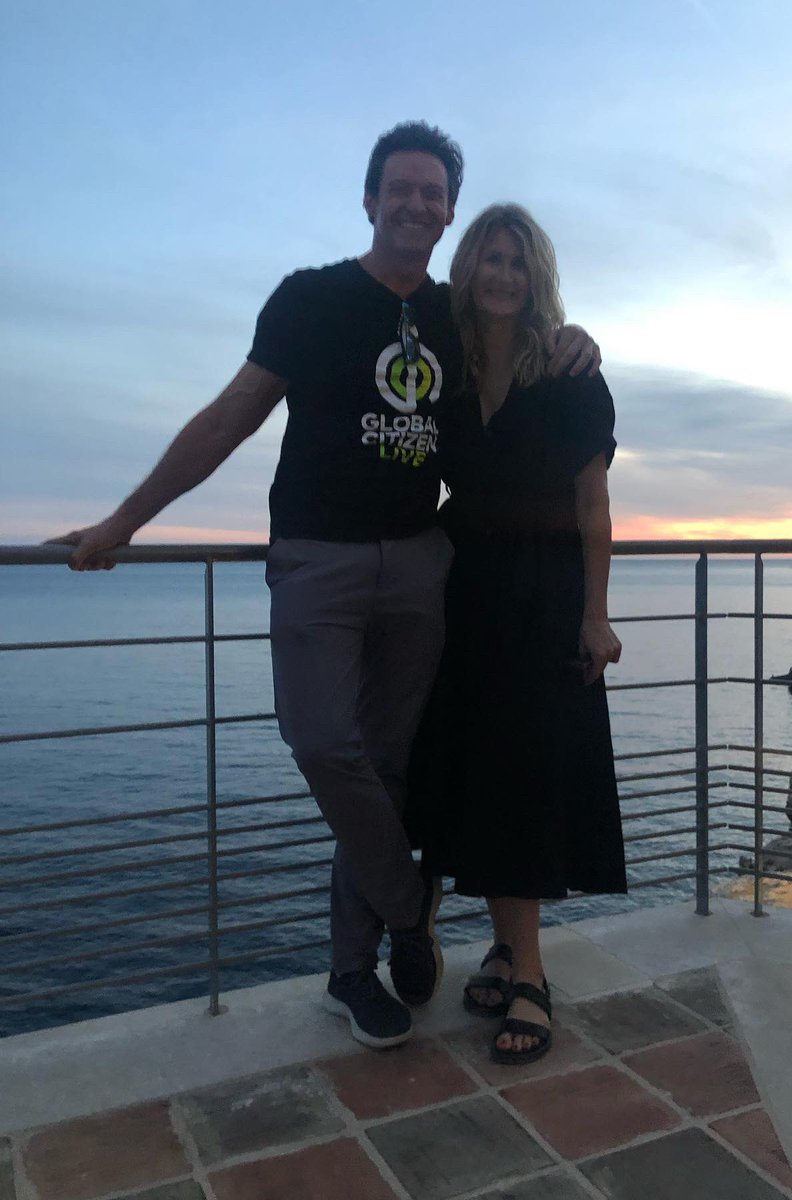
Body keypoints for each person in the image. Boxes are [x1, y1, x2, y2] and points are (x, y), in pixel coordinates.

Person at [48, 123, 600, 1050]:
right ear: (370, 198)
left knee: (385, 769)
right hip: (317, 559)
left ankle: (352, 970)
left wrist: (575, 336)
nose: (416, 204)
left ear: (449, 214)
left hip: (422, 564)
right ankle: (409, 907)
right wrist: (124, 521)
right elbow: (229, 416)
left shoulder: (456, 317)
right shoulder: (311, 299)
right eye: (402, 188)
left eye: (433, 193)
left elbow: (526, 353)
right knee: (321, 742)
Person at [407, 204, 627, 1065]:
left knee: (525, 781)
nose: (503, 275)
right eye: (490, 259)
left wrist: (596, 614)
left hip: (545, 599)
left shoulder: (570, 375)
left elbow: (593, 506)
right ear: (468, 270)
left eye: (517, 261)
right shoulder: (445, 373)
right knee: (484, 778)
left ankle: (529, 974)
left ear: (537, 277)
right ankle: (504, 949)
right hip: (465, 599)